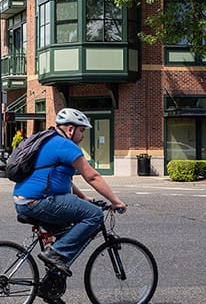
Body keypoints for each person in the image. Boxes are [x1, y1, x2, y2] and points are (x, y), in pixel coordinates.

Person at [13, 108, 127, 277]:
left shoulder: (48, 140)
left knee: (66, 231)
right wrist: (116, 201)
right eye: (81, 130)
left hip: (24, 201)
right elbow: (92, 176)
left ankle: (52, 281)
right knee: (94, 215)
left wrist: (83, 197)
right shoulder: (64, 144)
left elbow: (59, 178)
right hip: (38, 201)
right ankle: (55, 254)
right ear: (70, 129)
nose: (83, 136)